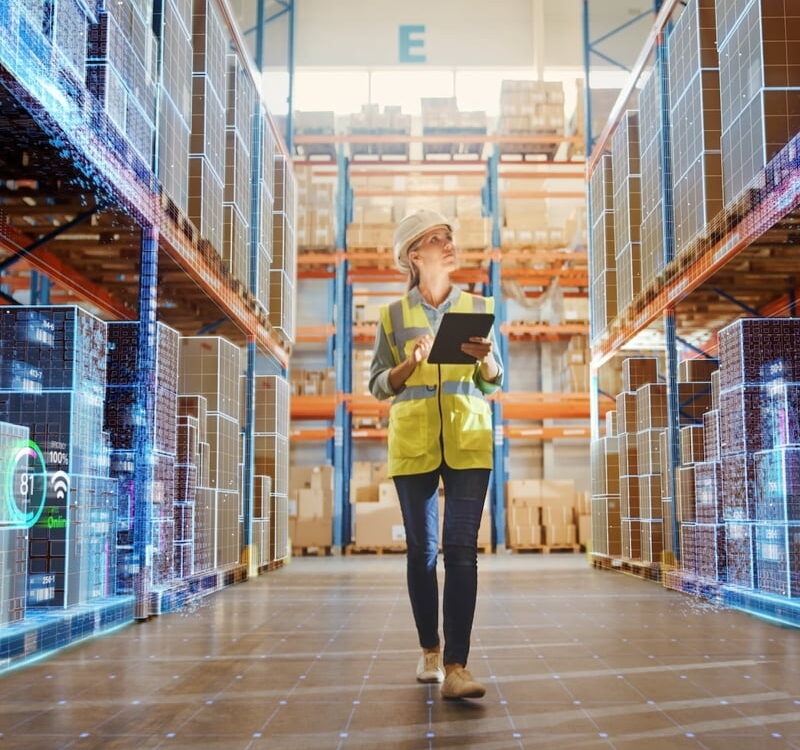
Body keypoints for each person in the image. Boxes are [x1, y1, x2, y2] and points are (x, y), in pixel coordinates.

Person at [369, 209, 503, 700]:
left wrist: (487, 358)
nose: (448, 244)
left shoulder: (478, 305)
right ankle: (430, 650)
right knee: (423, 553)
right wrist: (410, 363)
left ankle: (457, 666)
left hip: (468, 440)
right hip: (414, 442)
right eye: (435, 239)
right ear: (413, 255)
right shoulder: (392, 316)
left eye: (449, 236)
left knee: (462, 551)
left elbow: (494, 378)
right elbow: (378, 384)